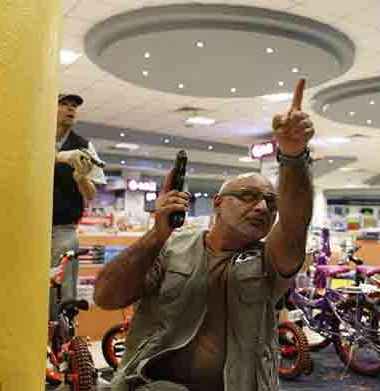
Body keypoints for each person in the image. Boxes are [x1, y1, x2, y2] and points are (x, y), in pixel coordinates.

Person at [94, 79, 315, 391]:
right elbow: (107, 297)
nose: (263, 207)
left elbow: (294, 226)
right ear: (218, 205)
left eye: (271, 202)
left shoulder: (269, 261)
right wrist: (155, 236)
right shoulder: (171, 247)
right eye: (249, 196)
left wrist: (293, 156)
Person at [50, 93, 106, 321]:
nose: (70, 109)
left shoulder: (84, 146)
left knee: (65, 293)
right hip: (30, 229)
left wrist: (81, 178)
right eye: (64, 104)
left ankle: (63, 345)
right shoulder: (36, 136)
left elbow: (91, 194)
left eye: (74, 106)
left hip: (64, 230)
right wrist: (62, 156)